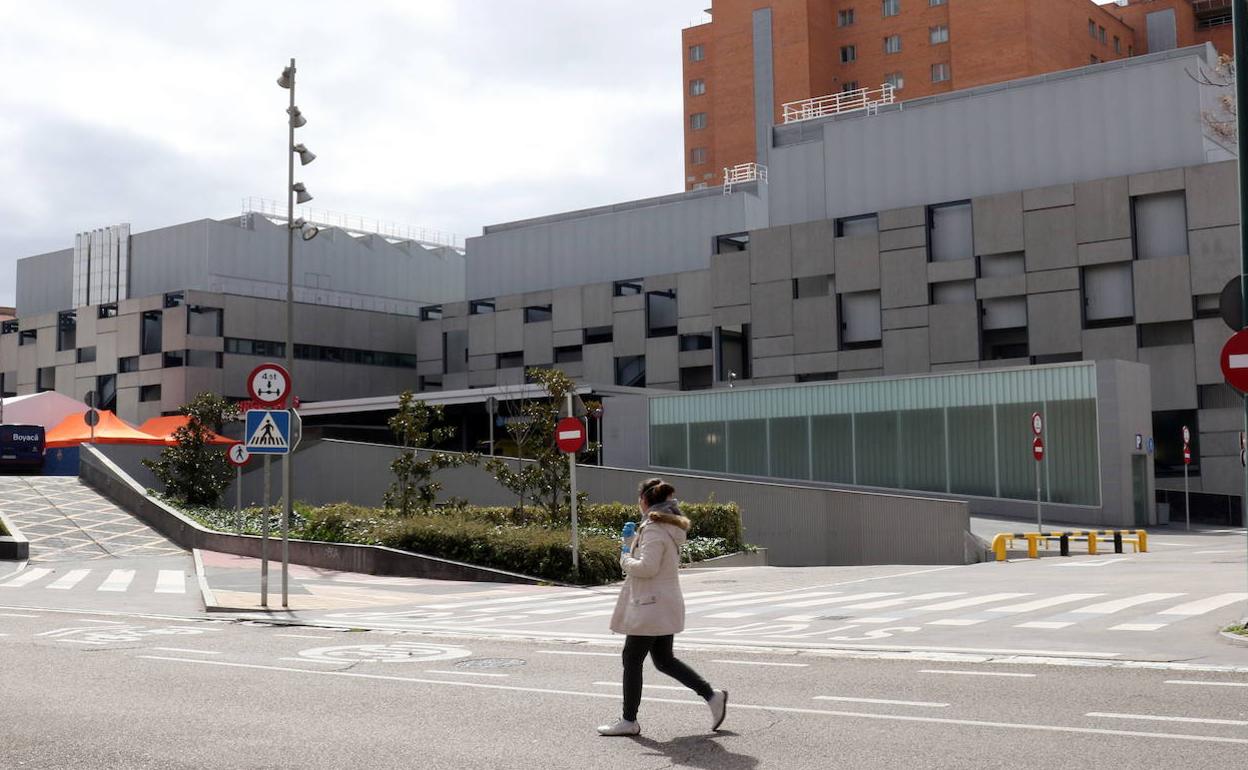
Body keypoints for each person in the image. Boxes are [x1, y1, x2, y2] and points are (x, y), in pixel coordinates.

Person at [597, 478, 728, 737]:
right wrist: (634, 539)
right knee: (664, 660)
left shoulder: (655, 529)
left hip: (650, 607)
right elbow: (655, 558)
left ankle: (628, 720)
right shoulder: (664, 527)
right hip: (661, 604)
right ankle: (712, 696)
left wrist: (625, 554)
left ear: (645, 501)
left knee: (632, 658)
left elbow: (647, 567)